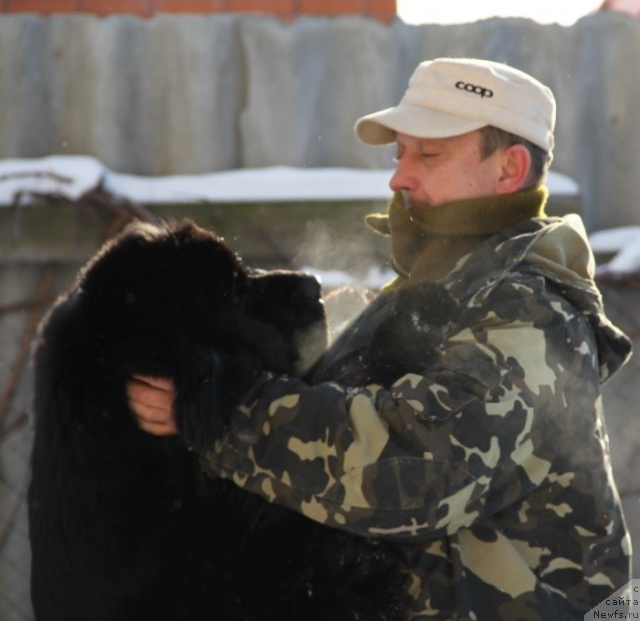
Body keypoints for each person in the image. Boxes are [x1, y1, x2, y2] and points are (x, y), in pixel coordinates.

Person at [127, 58, 633, 620]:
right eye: (400, 154)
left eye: (429, 154)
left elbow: (416, 470)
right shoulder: (434, 291)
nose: (398, 177)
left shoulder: (532, 312)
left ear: (509, 168)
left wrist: (223, 412)